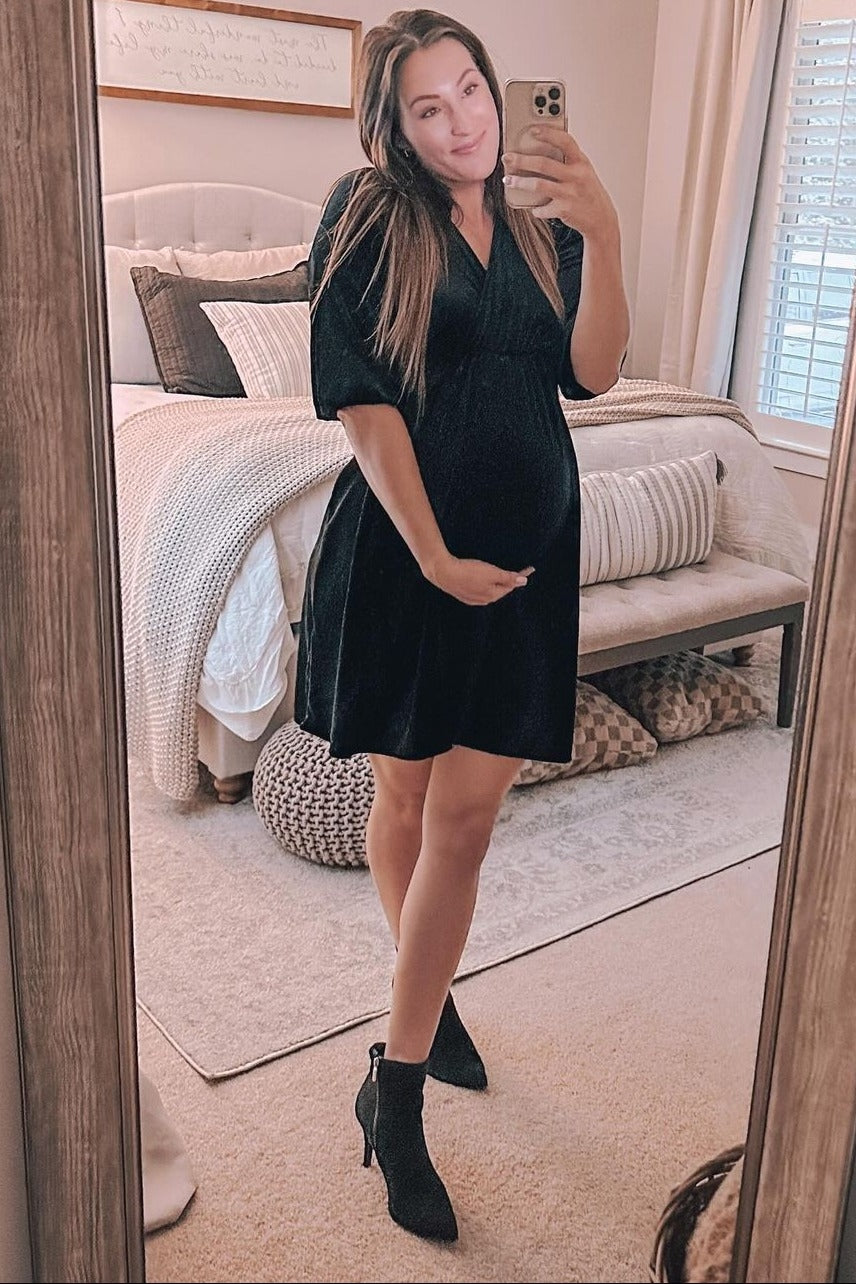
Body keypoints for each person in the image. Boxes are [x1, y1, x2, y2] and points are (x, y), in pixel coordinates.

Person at [294, 7, 630, 1243]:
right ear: (395, 125)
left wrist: (606, 228)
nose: (460, 124)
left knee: (466, 820)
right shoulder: (368, 213)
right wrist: (433, 553)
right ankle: (416, 1032)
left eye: (470, 92)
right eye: (427, 109)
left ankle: (395, 1066)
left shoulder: (549, 219)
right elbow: (361, 401)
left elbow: (593, 371)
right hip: (406, 555)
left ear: (498, 86)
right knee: (404, 795)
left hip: (529, 564)